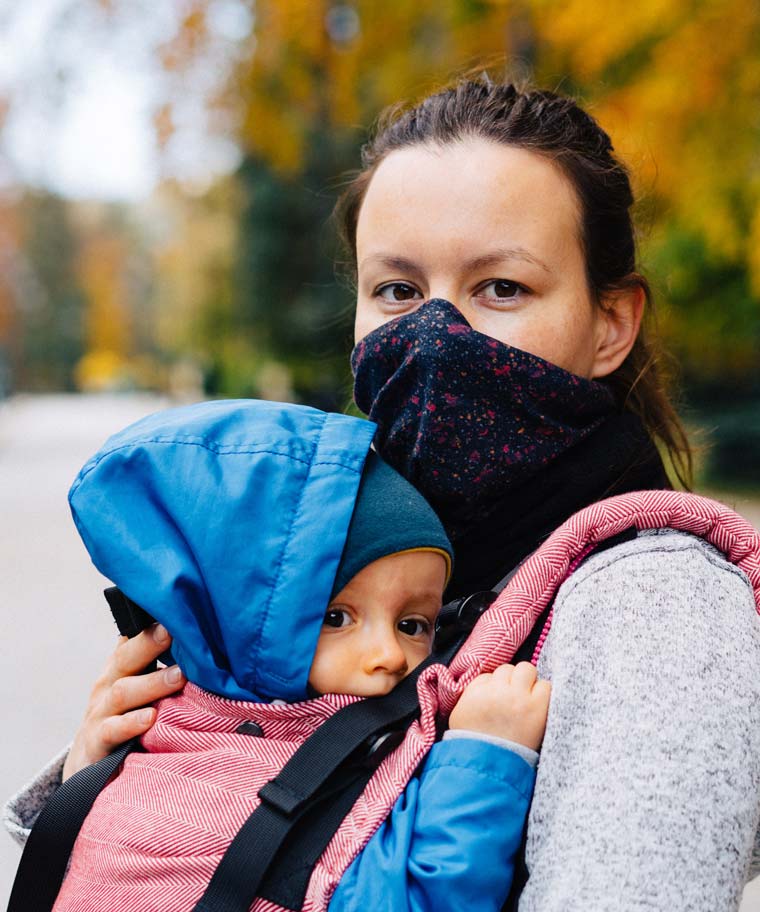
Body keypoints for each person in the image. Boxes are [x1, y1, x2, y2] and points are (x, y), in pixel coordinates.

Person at [7, 78, 760, 911]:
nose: (435, 336)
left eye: (501, 287)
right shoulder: (342, 547)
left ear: (611, 323)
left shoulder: (656, 607)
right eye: (398, 291)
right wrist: (113, 779)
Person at [32, 398, 550, 912]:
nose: (390, 655)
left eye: (412, 625)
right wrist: (486, 757)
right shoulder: (175, 781)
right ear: (238, 621)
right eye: (336, 618)